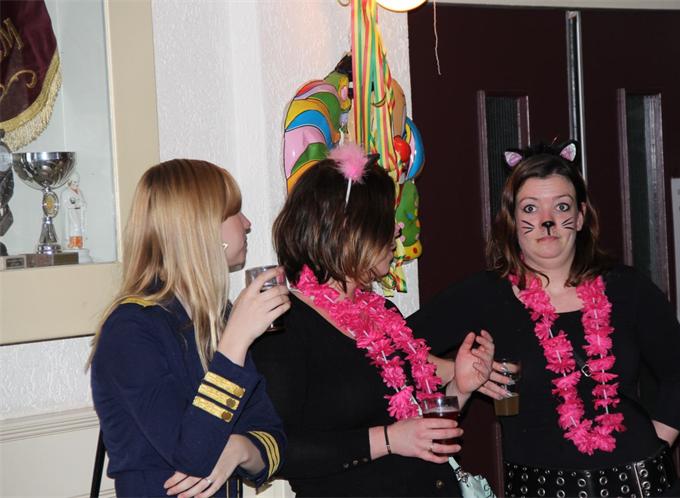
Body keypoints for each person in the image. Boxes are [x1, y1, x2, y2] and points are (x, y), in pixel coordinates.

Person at [407, 141, 680, 498]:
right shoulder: (484, 294)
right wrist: (461, 374)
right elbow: (394, 348)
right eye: (531, 208)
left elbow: (679, 373)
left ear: (580, 216)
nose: (547, 221)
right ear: (513, 220)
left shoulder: (627, 288)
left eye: (561, 207)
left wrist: (655, 446)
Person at [250, 145, 497, 497]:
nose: (398, 230)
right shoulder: (285, 324)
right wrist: (387, 439)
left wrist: (461, 387)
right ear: (350, 228)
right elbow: (278, 451)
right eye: (387, 219)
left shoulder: (384, 313)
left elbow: (420, 430)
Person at [89, 159, 290, 497]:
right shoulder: (131, 329)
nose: (247, 223)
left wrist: (238, 449)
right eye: (234, 213)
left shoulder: (214, 316)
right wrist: (235, 342)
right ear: (201, 228)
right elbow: (192, 456)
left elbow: (275, 441)